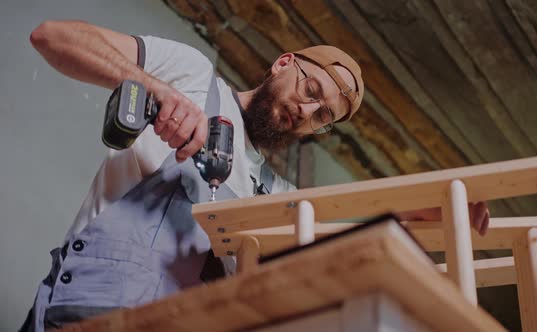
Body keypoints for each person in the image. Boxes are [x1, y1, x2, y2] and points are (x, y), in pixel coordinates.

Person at [22, 20, 489, 330]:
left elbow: (343, 234)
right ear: (284, 62)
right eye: (311, 90)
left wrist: (424, 212)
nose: (306, 112)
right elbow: (53, 38)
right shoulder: (194, 76)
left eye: (322, 115)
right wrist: (163, 94)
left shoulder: (273, 192)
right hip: (96, 309)